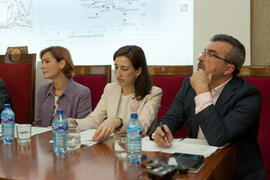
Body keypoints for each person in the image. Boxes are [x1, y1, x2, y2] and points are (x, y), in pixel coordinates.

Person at [151, 34, 266, 179]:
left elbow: (217, 138)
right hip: (194, 167)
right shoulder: (189, 85)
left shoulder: (248, 96)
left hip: (234, 173)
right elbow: (171, 118)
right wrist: (161, 130)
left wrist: (202, 90)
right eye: (203, 52)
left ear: (228, 69)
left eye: (211, 55)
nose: (200, 58)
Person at [69, 45, 162, 141]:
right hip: (112, 146)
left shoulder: (153, 93)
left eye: (124, 69)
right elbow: (93, 120)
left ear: (138, 71)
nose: (118, 74)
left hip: (137, 147)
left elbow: (143, 128)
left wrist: (118, 122)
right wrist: (73, 122)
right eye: (116, 67)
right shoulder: (110, 89)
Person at [33, 46, 92, 126]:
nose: (42, 66)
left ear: (61, 64)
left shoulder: (82, 92)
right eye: (42, 62)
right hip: (44, 138)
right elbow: (38, 124)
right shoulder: (43, 90)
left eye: (47, 62)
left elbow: (84, 126)